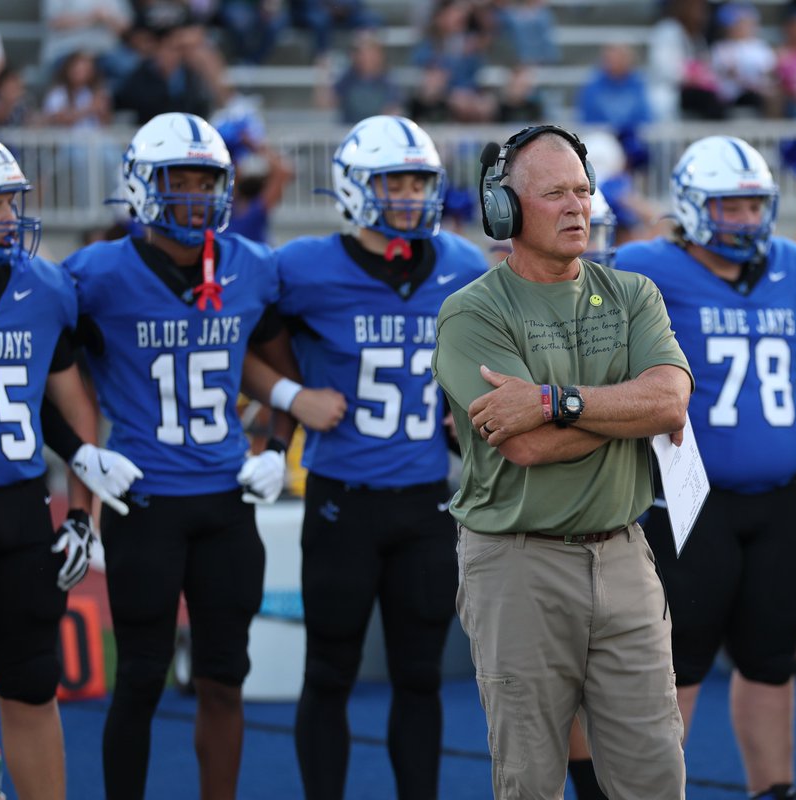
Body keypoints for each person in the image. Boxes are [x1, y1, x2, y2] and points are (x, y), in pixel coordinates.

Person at [61, 112, 338, 800]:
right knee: (140, 680)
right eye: (175, 181)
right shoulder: (96, 274)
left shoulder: (249, 267)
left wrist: (278, 445)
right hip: (144, 500)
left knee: (224, 678)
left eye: (204, 181)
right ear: (140, 186)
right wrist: (79, 454)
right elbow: (43, 370)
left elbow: (284, 369)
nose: (191, 195)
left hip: (225, 501)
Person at [432, 124, 691, 799]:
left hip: (624, 554)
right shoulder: (471, 313)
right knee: (531, 780)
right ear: (504, 210)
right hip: (517, 564)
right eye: (555, 193)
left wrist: (555, 401)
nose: (578, 206)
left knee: (656, 774)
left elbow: (667, 403)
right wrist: (622, 411)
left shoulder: (635, 294)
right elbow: (527, 446)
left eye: (582, 189)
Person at [614, 134, 796, 800]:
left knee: (771, 658)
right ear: (694, 209)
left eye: (754, 206)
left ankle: (773, 789)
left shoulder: (793, 264)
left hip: (782, 499)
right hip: (688, 498)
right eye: (728, 207)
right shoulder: (647, 265)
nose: (745, 220)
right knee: (677, 664)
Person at [267, 115, 485, 800]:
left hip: (426, 500)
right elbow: (232, 337)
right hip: (342, 501)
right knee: (329, 672)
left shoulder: (462, 264)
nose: (410, 196)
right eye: (394, 182)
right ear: (356, 188)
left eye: (420, 182)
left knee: (421, 675)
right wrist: (289, 394)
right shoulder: (302, 267)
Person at [0, 131, 139, 800]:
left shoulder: (43, 285)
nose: (8, 216)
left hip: (19, 512)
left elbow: (73, 408)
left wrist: (83, 517)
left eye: (10, 201)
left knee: (33, 685)